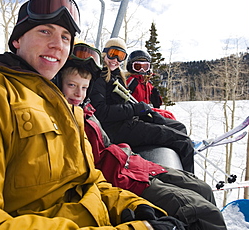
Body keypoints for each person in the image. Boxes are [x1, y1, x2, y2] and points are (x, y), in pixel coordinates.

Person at [0, 0, 183, 230]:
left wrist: (131, 207)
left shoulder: (64, 105)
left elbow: (89, 181)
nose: (58, 45)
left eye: (65, 37)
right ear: (17, 40)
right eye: (45, 32)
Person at [57, 43, 227, 230]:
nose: (78, 93)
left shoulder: (86, 110)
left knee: (204, 189)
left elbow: (105, 143)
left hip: (129, 162)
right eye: (72, 85)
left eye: (83, 87)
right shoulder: (69, 117)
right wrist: (135, 110)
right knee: (205, 212)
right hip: (121, 169)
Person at [89, 38, 195, 173]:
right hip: (117, 130)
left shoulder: (116, 76)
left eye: (120, 56)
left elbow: (127, 102)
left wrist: (148, 113)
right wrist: (135, 109)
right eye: (112, 53)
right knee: (183, 141)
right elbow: (101, 112)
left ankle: (181, 167)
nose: (115, 59)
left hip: (127, 122)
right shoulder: (100, 77)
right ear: (104, 53)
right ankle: (188, 181)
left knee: (179, 127)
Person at [126, 49, 176, 120]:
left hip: (145, 111)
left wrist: (157, 99)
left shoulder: (147, 83)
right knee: (167, 117)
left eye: (145, 67)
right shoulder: (131, 81)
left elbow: (156, 103)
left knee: (169, 115)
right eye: (137, 67)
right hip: (136, 113)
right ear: (131, 67)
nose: (142, 70)